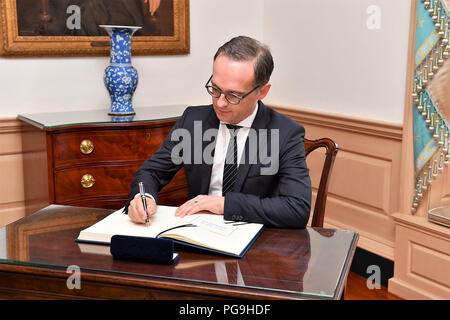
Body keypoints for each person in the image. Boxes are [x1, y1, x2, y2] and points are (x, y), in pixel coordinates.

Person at [125, 36, 312, 228]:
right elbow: (152, 172)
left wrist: (224, 204)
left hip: (255, 241)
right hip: (196, 233)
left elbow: (297, 208)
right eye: (215, 89)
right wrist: (143, 197)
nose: (220, 102)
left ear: (262, 92)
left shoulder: (285, 133)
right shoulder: (193, 120)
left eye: (233, 95)